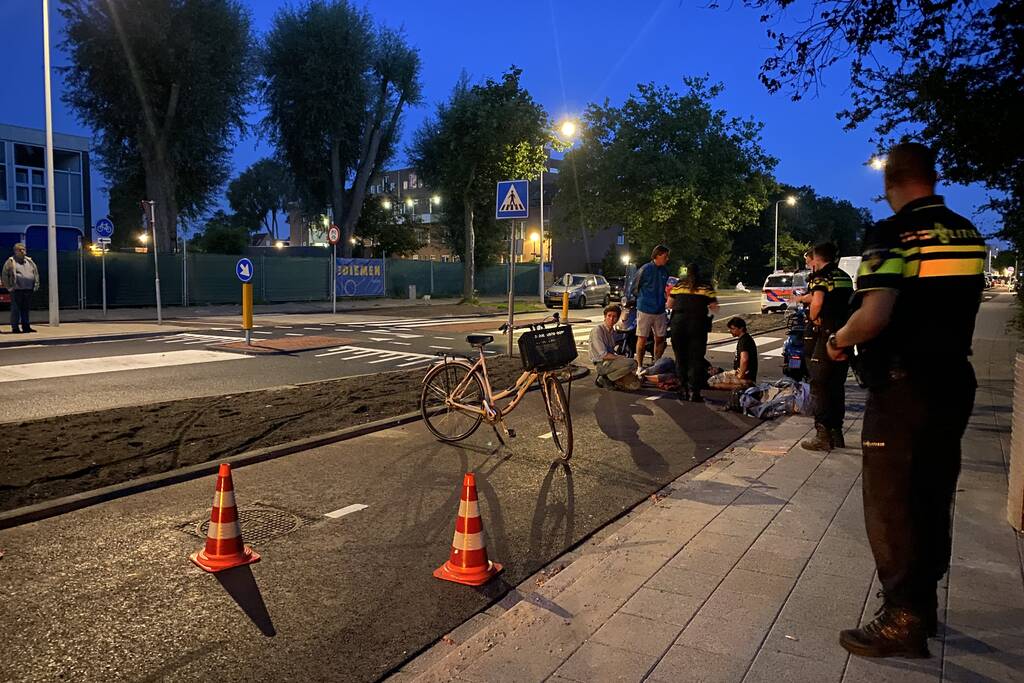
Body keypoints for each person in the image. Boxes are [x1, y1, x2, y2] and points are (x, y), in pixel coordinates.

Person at [826, 143, 985, 658]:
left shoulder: (893, 233)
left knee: (891, 503)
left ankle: (902, 618)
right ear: (932, 177)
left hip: (902, 386)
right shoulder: (966, 232)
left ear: (889, 183)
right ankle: (923, 604)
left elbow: (875, 314)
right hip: (952, 380)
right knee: (932, 496)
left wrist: (838, 340)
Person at [800, 241, 853, 450]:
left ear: (816, 258)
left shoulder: (821, 276)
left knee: (819, 384)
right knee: (836, 385)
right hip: (844, 334)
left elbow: (818, 302)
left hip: (825, 335)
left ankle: (822, 434)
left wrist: (813, 318)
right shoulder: (844, 276)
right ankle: (836, 433)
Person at [668, 262, 718, 401]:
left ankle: (683, 389)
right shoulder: (706, 286)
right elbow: (714, 306)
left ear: (687, 272)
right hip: (697, 324)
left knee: (680, 357)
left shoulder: (679, 285)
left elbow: (669, 304)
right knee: (696, 358)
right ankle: (694, 392)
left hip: (678, 324)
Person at [630, 245, 670, 369]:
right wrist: (643, 299)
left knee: (660, 338)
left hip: (660, 309)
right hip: (645, 309)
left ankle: (656, 363)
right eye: (665, 256)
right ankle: (639, 366)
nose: (667, 259)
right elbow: (634, 287)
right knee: (642, 337)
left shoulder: (664, 271)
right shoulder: (645, 269)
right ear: (657, 256)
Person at [589, 304, 639, 389]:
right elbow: (603, 355)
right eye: (609, 316)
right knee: (633, 363)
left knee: (635, 385)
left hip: (611, 362)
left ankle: (611, 378)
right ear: (605, 317)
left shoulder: (612, 331)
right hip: (601, 364)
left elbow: (623, 336)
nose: (611, 319)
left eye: (614, 317)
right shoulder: (598, 330)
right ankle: (606, 378)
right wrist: (620, 358)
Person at [707, 317, 758, 390]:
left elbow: (744, 359)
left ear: (741, 328)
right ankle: (743, 384)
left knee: (711, 382)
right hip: (740, 373)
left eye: (733, 329)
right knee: (719, 377)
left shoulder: (744, 341)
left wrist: (741, 375)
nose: (730, 331)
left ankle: (742, 386)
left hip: (745, 376)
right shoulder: (745, 339)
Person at [2, 243, 39, 334]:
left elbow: (35, 273)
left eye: (24, 249)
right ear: (15, 251)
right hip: (16, 290)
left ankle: (26, 327)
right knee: (16, 309)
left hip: (28, 289)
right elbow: (4, 275)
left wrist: (36, 284)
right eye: (20, 250)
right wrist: (9, 287)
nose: (22, 251)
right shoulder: (11, 262)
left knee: (26, 309)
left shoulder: (30, 261)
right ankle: (15, 327)